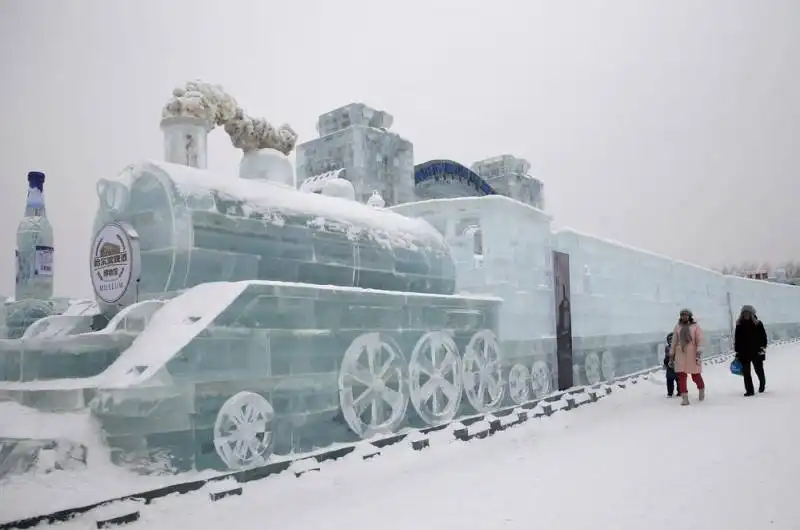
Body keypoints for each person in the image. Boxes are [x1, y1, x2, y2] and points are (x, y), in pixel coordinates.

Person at [670, 308, 705, 406]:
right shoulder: (677, 327)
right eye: (682, 315)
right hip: (680, 353)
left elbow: (700, 339)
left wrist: (698, 352)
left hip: (692, 353)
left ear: (689, 316)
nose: (684, 316)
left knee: (695, 375)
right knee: (681, 376)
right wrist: (671, 354)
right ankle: (684, 398)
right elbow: (674, 341)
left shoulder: (695, 326)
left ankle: (701, 389)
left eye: (685, 315)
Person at [733, 305, 768, 396]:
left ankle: (762, 384)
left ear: (752, 313)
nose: (746, 314)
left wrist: (762, 348)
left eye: (748, 312)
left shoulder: (758, 324)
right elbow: (737, 339)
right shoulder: (739, 324)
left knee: (758, 370)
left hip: (756, 351)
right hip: (744, 352)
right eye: (744, 313)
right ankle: (749, 390)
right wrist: (737, 351)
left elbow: (763, 337)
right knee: (746, 373)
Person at [663, 332, 679, 397]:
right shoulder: (667, 348)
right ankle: (670, 393)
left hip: (678, 367)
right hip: (670, 367)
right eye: (669, 340)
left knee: (679, 380)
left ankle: (680, 392)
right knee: (669, 380)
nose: (671, 341)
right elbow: (666, 357)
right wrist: (665, 363)